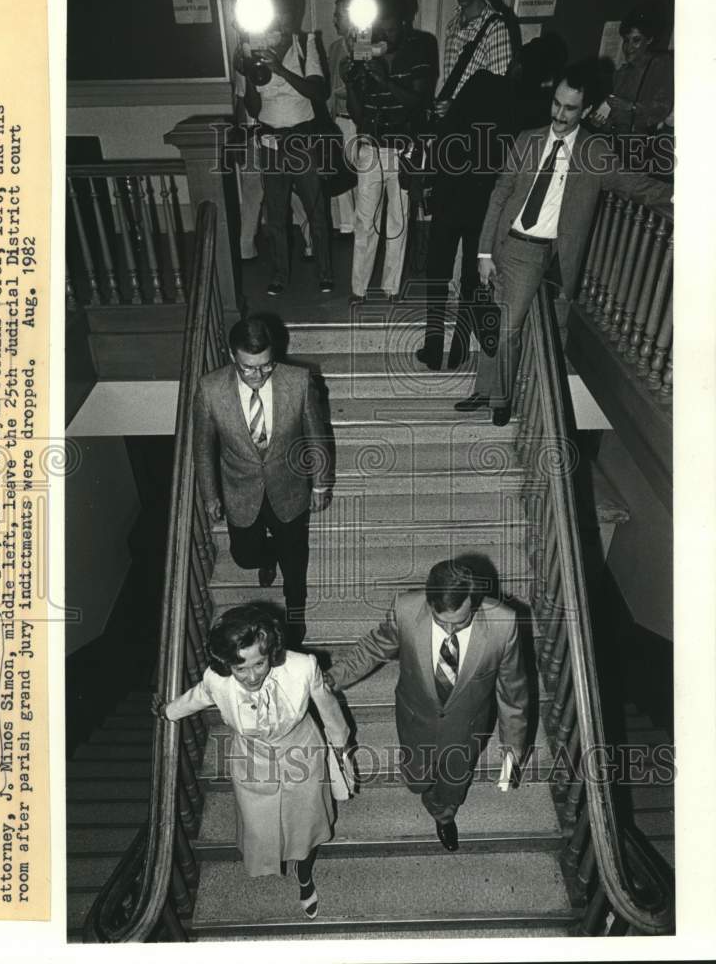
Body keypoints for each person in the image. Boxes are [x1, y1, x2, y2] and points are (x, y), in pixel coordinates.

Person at [454, 62, 673, 427]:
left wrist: (683, 197)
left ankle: (501, 399)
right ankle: (485, 389)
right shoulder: (527, 138)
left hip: (535, 253)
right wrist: (484, 251)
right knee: (495, 321)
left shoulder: (595, 153)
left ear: (586, 110)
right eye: (556, 103)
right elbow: (500, 194)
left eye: (570, 108)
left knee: (508, 329)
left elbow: (637, 187)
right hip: (506, 243)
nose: (559, 113)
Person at [152, 603, 349, 917]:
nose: (251, 675)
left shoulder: (302, 667)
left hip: (302, 754)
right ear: (226, 663)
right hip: (251, 761)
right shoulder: (217, 680)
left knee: (307, 823)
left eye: (259, 663)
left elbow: (328, 709)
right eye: (240, 668)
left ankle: (305, 873)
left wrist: (339, 746)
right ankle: (274, 857)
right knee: (261, 826)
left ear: (271, 652)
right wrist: (168, 711)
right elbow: (199, 696)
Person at [325, 561, 528, 851]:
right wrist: (332, 679)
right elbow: (372, 648)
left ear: (476, 601)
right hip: (415, 719)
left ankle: (444, 815)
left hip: (466, 729)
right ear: (429, 601)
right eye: (440, 620)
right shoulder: (406, 609)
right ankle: (418, 779)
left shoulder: (503, 625)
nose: (448, 629)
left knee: (453, 783)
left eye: (459, 622)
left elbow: (513, 693)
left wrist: (513, 746)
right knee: (417, 777)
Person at [193, 316, 333, 645]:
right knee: (244, 556)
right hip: (239, 490)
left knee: (295, 558)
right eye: (248, 368)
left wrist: (320, 483)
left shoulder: (297, 381)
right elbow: (202, 448)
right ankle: (268, 556)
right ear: (232, 356)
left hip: (289, 488)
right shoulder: (210, 390)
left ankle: (295, 613)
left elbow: (316, 435)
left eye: (266, 366)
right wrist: (210, 495)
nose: (258, 376)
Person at [415, 0, 514, 371]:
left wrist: (456, 108)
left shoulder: (497, 28)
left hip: (479, 158)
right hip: (451, 155)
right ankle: (433, 340)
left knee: (474, 257)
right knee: (438, 256)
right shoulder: (455, 24)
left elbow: (500, 98)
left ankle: (459, 343)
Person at [342, 0, 436, 303]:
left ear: (405, 21)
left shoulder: (422, 46)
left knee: (397, 221)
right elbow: (356, 112)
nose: (386, 34)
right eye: (381, 26)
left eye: (391, 28)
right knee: (363, 221)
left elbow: (419, 101)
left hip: (404, 148)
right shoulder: (366, 47)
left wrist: (384, 80)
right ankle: (358, 288)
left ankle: (391, 288)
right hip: (371, 144)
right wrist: (351, 82)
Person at [239, 0, 333, 295]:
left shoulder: (305, 43)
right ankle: (280, 274)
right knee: (275, 215)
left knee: (316, 211)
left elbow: (319, 91)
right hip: (270, 142)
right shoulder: (251, 45)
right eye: (278, 10)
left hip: (302, 140)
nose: (284, 17)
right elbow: (253, 106)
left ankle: (325, 272)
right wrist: (250, 73)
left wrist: (280, 70)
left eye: (289, 10)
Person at [589, 6, 673, 174]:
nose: (628, 47)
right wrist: (599, 122)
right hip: (617, 152)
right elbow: (613, 122)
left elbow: (661, 109)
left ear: (649, 40)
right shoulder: (621, 74)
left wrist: (630, 106)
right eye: (626, 40)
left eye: (636, 40)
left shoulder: (661, 64)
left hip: (645, 155)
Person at [327, 0, 357, 237]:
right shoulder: (335, 47)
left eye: (338, 15)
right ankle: (348, 226)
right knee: (342, 172)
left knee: (363, 174)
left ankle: (364, 224)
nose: (334, 20)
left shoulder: (366, 42)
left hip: (361, 121)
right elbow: (330, 88)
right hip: (340, 120)